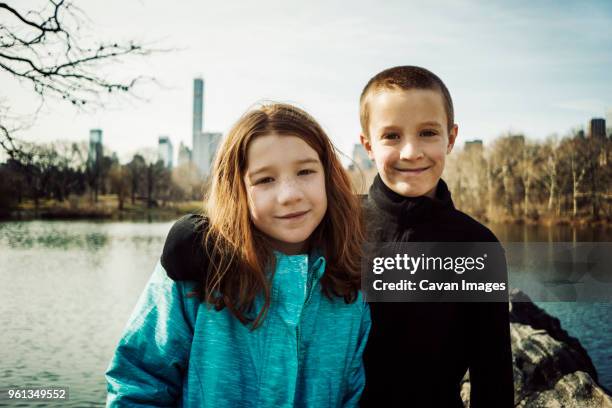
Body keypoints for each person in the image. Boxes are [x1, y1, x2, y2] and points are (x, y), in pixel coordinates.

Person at [105, 103, 371, 407]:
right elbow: (138, 384)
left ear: (328, 176)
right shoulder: (196, 271)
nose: (290, 194)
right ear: (238, 189)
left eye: (306, 171)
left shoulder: (351, 282)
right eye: (264, 180)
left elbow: (352, 393)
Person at [357, 66, 514, 407]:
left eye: (428, 133)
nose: (411, 151)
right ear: (368, 145)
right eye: (392, 136)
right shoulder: (338, 226)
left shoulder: (477, 246)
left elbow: (494, 374)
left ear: (451, 138)